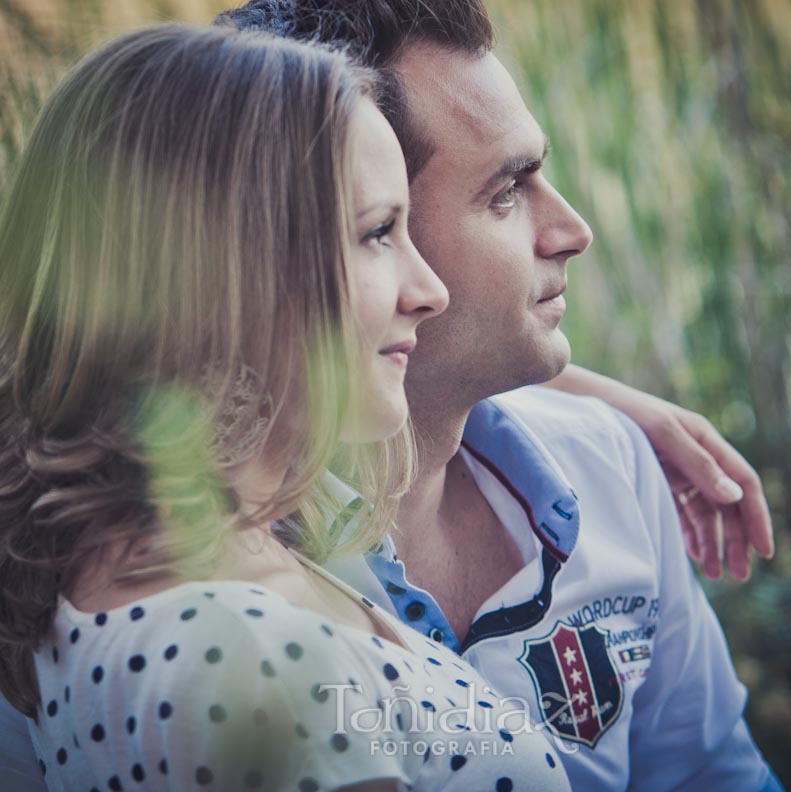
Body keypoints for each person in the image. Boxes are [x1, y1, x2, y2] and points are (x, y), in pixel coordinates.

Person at [211, 2, 784, 790]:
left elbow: (711, 775)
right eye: (507, 191)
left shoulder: (610, 463)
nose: (573, 229)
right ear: (327, 240)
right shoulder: (178, 578)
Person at [0, 23, 575, 791]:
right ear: (224, 272)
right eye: (377, 233)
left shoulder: (124, 562)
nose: (428, 290)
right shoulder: (253, 664)